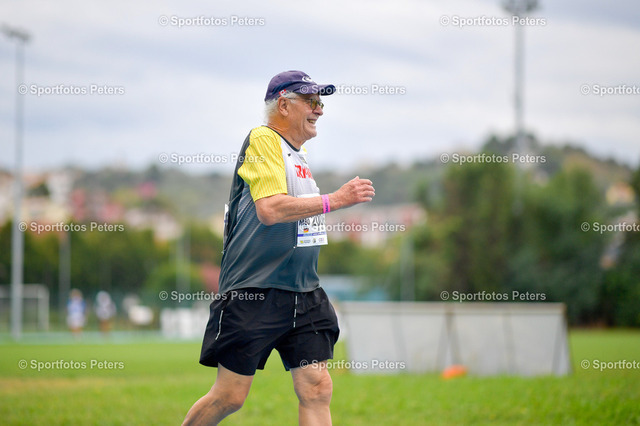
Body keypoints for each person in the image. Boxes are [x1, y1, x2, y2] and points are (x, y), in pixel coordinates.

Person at [183, 70, 375, 425]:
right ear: (284, 105)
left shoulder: (297, 155)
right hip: (255, 292)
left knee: (317, 387)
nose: (320, 109)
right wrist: (335, 200)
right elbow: (270, 209)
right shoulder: (263, 140)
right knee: (229, 396)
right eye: (311, 101)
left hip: (304, 292)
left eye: (321, 103)